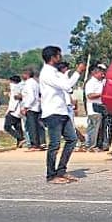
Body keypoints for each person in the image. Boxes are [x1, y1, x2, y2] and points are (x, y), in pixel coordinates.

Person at [39, 46, 85, 184]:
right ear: (52, 57)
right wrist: (77, 72)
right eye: (59, 56)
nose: (61, 58)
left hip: (62, 111)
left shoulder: (56, 72)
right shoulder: (47, 73)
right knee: (54, 144)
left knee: (72, 139)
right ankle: (51, 175)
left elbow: (68, 86)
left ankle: (61, 171)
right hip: (52, 112)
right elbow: (66, 86)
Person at [19, 68, 44, 150]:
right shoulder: (35, 83)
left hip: (31, 107)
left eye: (24, 74)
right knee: (36, 126)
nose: (22, 76)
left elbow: (31, 97)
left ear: (27, 74)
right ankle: (38, 143)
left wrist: (26, 107)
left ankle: (34, 144)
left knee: (32, 127)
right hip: (36, 107)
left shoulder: (29, 83)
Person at [83, 64, 107, 151]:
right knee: (94, 129)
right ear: (95, 73)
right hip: (93, 109)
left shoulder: (100, 82)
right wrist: (101, 94)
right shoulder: (91, 83)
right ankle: (91, 146)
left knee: (99, 128)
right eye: (101, 73)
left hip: (100, 108)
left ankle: (97, 145)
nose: (103, 75)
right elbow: (89, 95)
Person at [3, 75, 25, 146]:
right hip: (19, 111)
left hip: (13, 111)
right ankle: (19, 143)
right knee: (18, 127)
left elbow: (14, 101)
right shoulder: (22, 87)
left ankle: (21, 138)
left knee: (7, 127)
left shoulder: (14, 88)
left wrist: (10, 110)